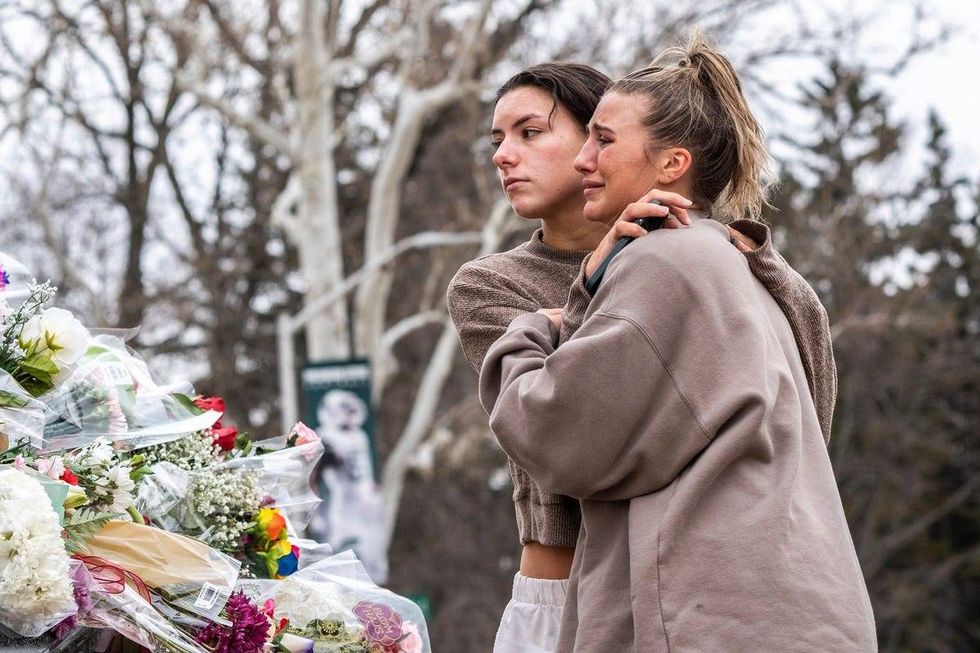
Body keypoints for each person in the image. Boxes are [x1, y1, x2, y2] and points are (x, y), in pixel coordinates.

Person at [478, 33, 876, 651]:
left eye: (602, 141)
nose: (586, 159)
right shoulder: (748, 265)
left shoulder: (662, 263)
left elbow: (554, 432)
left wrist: (535, 327)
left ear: (672, 166)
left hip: (703, 608)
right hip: (808, 599)